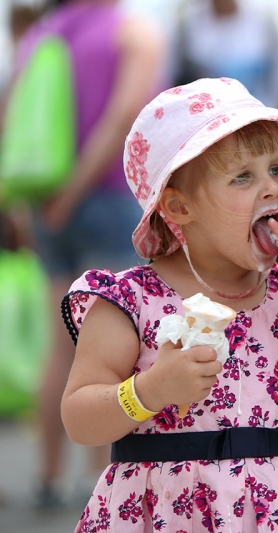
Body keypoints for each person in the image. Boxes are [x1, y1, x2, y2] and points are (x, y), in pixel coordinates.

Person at [60, 77, 278, 532]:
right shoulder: (130, 300)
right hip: (163, 513)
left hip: (272, 514)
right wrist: (148, 392)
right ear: (179, 207)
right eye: (242, 176)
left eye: (277, 169)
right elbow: (79, 420)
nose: (271, 188)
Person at [8, 0, 166, 508]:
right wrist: (77, 189)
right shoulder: (132, 31)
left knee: (59, 348)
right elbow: (126, 114)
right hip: (107, 197)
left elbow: (13, 115)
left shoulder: (42, 33)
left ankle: (49, 478)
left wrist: (34, 205)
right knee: (113, 347)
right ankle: (106, 483)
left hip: (44, 198)